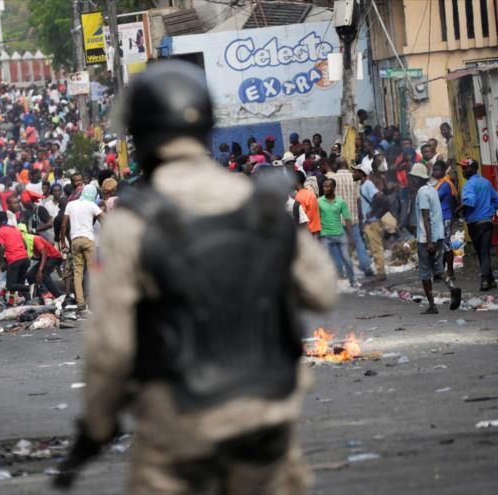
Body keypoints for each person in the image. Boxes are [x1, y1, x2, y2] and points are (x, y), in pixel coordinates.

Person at [55, 61, 336, 494]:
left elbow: (111, 347)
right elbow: (321, 290)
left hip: (181, 428)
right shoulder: (258, 202)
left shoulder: (132, 221)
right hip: (266, 421)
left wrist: (96, 426)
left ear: (143, 136)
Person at [411, 163, 462, 313]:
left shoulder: (422, 193)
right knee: (438, 269)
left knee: (425, 273)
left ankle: (432, 305)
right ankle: (452, 288)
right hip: (438, 236)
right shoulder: (432, 190)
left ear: (417, 179)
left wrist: (429, 242)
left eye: (413, 178)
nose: (411, 181)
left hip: (427, 239)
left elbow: (426, 218)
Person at [457, 159, 498, 291]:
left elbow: (469, 201)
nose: (463, 171)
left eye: (466, 168)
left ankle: (485, 280)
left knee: (482, 252)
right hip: (487, 222)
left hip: (475, 224)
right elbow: (497, 199)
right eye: (462, 168)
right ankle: (490, 279)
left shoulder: (469, 185)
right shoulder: (486, 182)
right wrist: (491, 209)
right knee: (483, 251)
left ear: (474, 169)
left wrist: (457, 210)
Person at [60, 184, 104, 309]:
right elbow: (103, 218)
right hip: (89, 240)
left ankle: (80, 302)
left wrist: (63, 241)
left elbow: (63, 225)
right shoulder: (92, 205)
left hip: (75, 240)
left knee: (78, 272)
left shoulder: (70, 204)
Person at [318, 178, 357, 286]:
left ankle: (353, 281)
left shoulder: (340, 202)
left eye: (327, 186)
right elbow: (316, 218)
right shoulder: (319, 201)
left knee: (347, 259)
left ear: (333, 188)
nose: (325, 188)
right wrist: (316, 234)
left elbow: (347, 219)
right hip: (325, 235)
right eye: (324, 186)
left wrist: (351, 237)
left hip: (340, 234)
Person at [353, 164, 387, 282]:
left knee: (376, 247)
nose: (354, 174)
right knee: (373, 247)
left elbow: (378, 196)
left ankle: (381, 273)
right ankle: (379, 270)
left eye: (356, 172)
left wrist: (371, 212)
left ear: (362, 173)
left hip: (372, 222)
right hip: (369, 222)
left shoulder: (368, 184)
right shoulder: (363, 185)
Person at [0, 211, 30, 306]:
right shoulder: (15, 229)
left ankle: (29, 287)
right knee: (18, 284)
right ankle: (16, 302)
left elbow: (1, 248)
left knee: (11, 285)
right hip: (25, 259)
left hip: (15, 260)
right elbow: (25, 246)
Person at [431, 161, 457, 277]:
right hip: (440, 217)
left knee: (446, 244)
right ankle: (441, 270)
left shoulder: (445, 184)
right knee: (441, 245)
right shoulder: (439, 183)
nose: (434, 172)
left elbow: (434, 197)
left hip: (445, 217)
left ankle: (450, 271)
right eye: (434, 169)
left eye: (437, 169)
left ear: (443, 170)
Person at [26, 232, 63, 304]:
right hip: (47, 258)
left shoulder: (36, 239)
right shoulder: (28, 243)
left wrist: (40, 270)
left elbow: (44, 253)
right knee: (30, 275)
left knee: (43, 274)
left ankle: (58, 295)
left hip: (55, 257)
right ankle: (41, 294)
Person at [294, 171, 321, 237]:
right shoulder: (309, 193)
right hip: (315, 230)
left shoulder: (299, 196)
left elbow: (301, 218)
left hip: (307, 232)